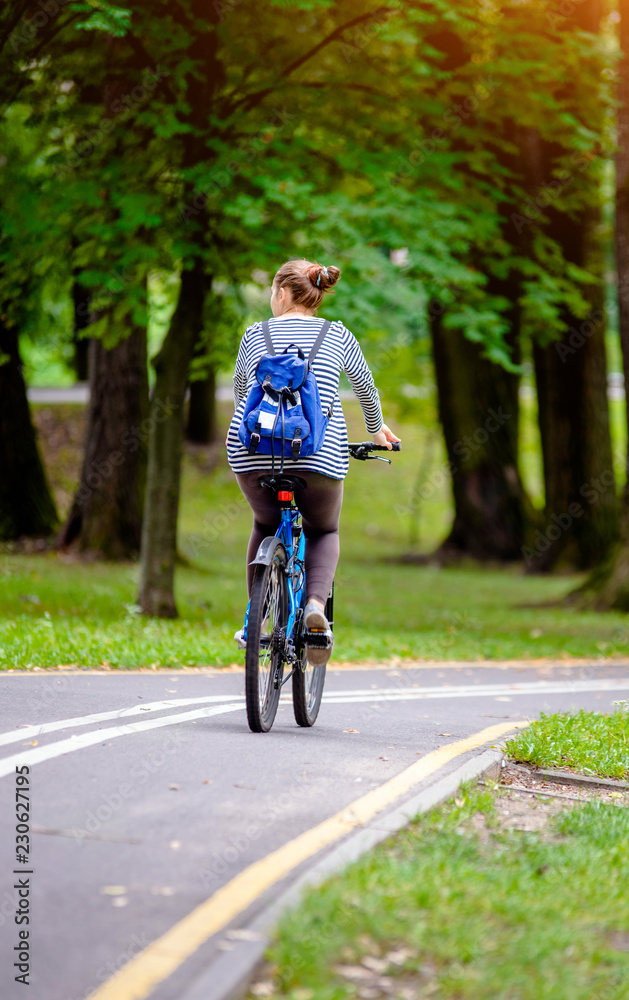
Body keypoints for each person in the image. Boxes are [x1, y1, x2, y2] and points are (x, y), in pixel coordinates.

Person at [226, 258, 400, 665]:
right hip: (317, 455)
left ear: (283, 293)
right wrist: (376, 431)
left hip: (253, 454)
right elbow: (364, 387)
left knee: (264, 522)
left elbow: (240, 393)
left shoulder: (255, 335)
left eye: (272, 291)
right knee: (324, 529)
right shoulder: (337, 336)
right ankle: (315, 606)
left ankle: (255, 617)